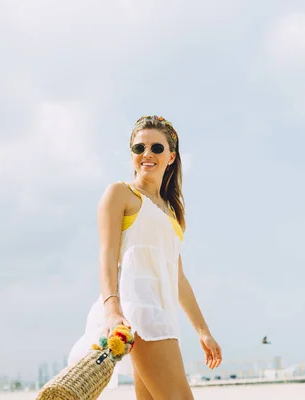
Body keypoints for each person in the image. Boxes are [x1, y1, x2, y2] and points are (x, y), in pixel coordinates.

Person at [68, 115, 222, 400]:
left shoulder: (173, 214)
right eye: (139, 148)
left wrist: (203, 330)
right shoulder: (120, 194)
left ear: (171, 156)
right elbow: (107, 255)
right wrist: (112, 310)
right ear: (131, 155)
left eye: (156, 148)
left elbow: (177, 277)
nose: (147, 154)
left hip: (163, 314)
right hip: (139, 311)